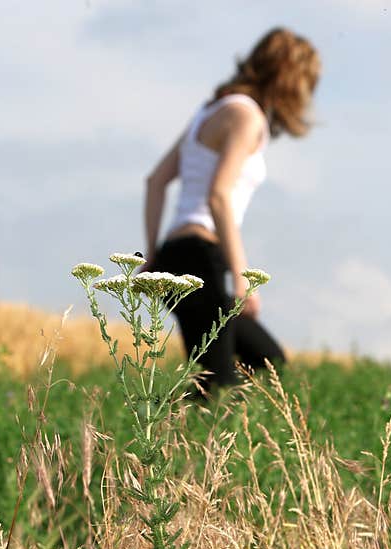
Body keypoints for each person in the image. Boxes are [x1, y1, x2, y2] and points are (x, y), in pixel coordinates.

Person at [143, 27, 321, 393]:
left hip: (176, 255)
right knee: (218, 387)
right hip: (201, 259)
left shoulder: (209, 112)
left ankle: (209, 439)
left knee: (266, 360)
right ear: (288, 77)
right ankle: (176, 443)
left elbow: (155, 181)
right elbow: (219, 195)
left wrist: (153, 254)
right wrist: (242, 279)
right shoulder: (247, 117)